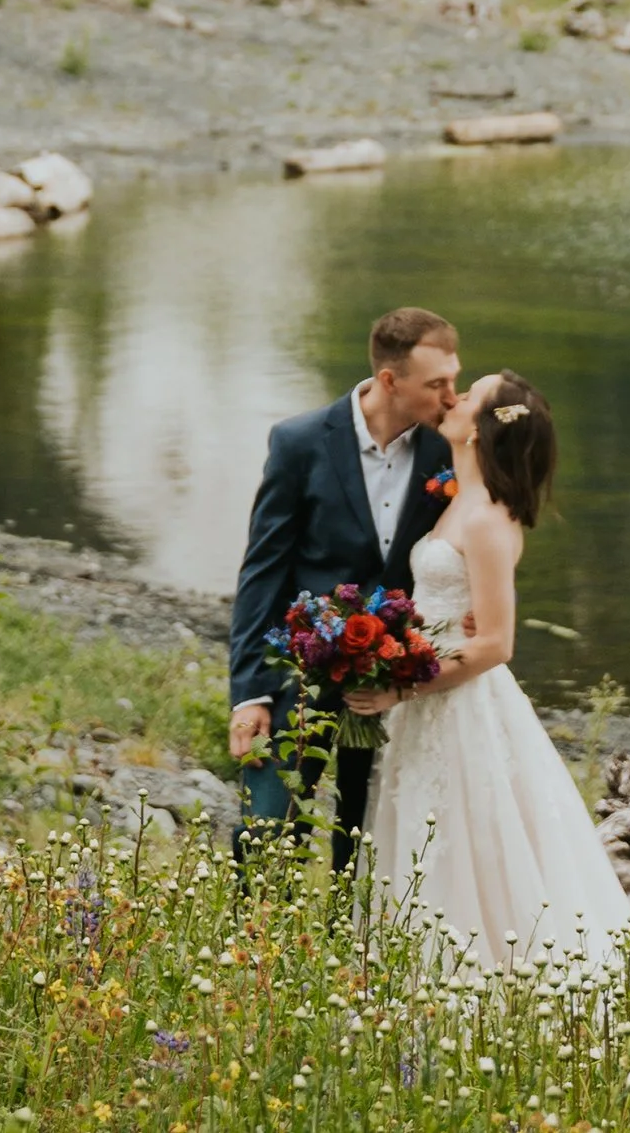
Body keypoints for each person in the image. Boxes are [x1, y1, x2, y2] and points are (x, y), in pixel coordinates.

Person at [362, 369, 630, 977]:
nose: (452, 400)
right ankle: (415, 969)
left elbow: (495, 643)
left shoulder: (487, 518)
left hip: (457, 700)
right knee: (425, 823)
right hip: (431, 691)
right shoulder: (461, 502)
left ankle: (479, 971)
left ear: (483, 429)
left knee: (468, 829)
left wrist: (399, 684)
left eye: (469, 396)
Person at [227, 304, 460, 865]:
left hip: (398, 681)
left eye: (453, 379)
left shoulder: (448, 449)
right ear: (389, 380)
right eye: (437, 384)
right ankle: (254, 945)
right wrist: (251, 692)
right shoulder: (299, 442)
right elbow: (263, 571)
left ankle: (351, 940)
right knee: (268, 834)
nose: (453, 396)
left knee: (373, 837)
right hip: (300, 674)